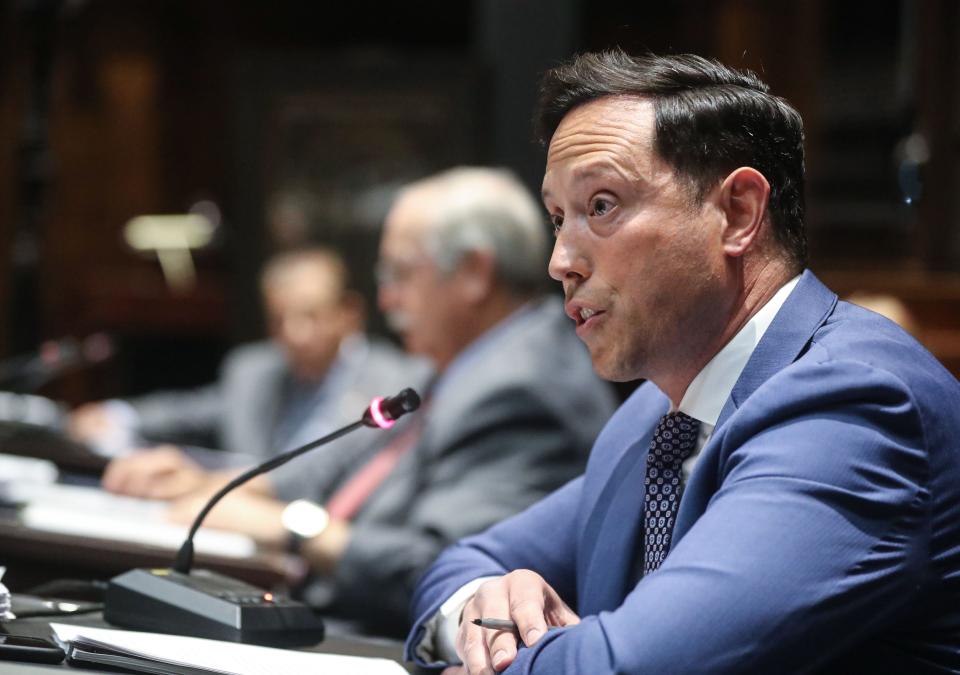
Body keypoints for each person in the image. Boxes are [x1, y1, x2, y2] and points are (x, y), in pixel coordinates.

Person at [406, 50, 960, 674]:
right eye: (558, 218)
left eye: (602, 206)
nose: (560, 260)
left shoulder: (854, 405)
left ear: (739, 213)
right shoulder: (659, 412)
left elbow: (635, 667)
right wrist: (485, 613)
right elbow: (462, 565)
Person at [160, 167, 617, 637]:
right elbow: (342, 461)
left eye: (399, 272)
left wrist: (292, 528)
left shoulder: (522, 388)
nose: (386, 298)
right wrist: (225, 486)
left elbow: (445, 574)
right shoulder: (452, 366)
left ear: (474, 273)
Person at [70, 247, 427, 501]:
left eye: (311, 316)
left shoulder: (388, 384)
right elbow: (195, 409)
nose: (293, 333)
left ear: (349, 313)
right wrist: (116, 414)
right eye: (279, 319)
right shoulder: (255, 369)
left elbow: (314, 473)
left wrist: (198, 482)